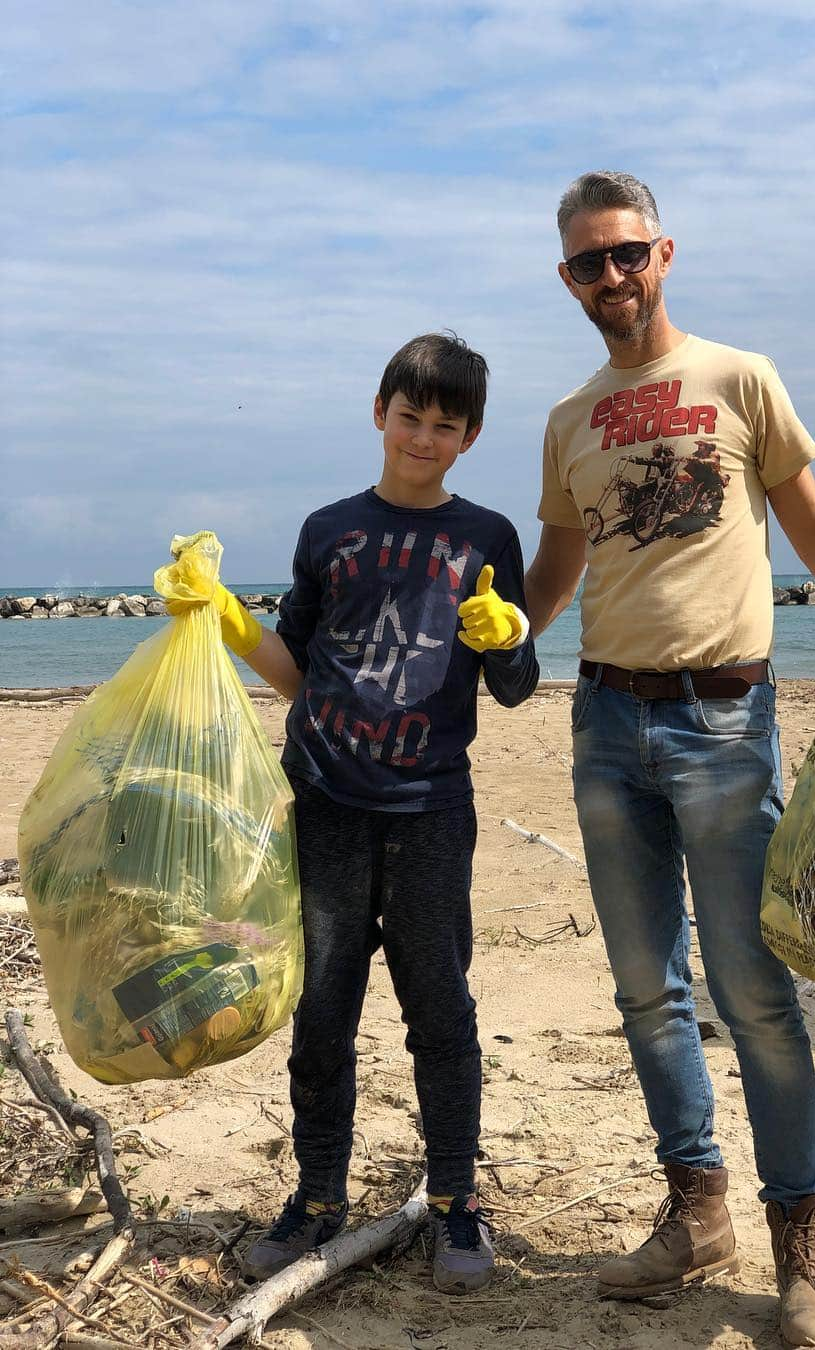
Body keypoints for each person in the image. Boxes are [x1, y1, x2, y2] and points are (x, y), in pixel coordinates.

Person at [525, 171, 815, 1347]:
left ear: (666, 253)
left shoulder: (740, 378)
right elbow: (555, 573)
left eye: (628, 253)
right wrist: (493, 628)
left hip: (725, 727)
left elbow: (810, 529)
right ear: (568, 279)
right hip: (604, 729)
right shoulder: (569, 420)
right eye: (590, 262)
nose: (613, 277)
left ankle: (802, 1238)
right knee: (647, 993)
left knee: (754, 994)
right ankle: (696, 1210)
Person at [170, 333, 539, 1294]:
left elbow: (517, 686)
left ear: (470, 437)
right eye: (409, 417)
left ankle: (457, 1200)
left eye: (444, 425)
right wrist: (227, 618)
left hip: (428, 810)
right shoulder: (329, 529)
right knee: (322, 1009)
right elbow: (296, 667)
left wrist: (507, 638)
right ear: (379, 413)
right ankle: (319, 1195)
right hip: (326, 803)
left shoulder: (487, 537)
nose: (422, 437)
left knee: (440, 1007)